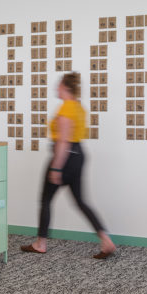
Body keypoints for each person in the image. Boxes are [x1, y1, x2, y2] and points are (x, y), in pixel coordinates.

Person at [20, 72, 116, 260]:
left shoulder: (65, 110)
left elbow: (63, 142)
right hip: (79, 154)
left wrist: (56, 168)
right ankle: (106, 240)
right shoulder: (79, 108)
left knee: (46, 199)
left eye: (58, 85)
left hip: (64, 156)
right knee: (81, 201)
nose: (56, 88)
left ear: (65, 87)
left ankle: (41, 243)